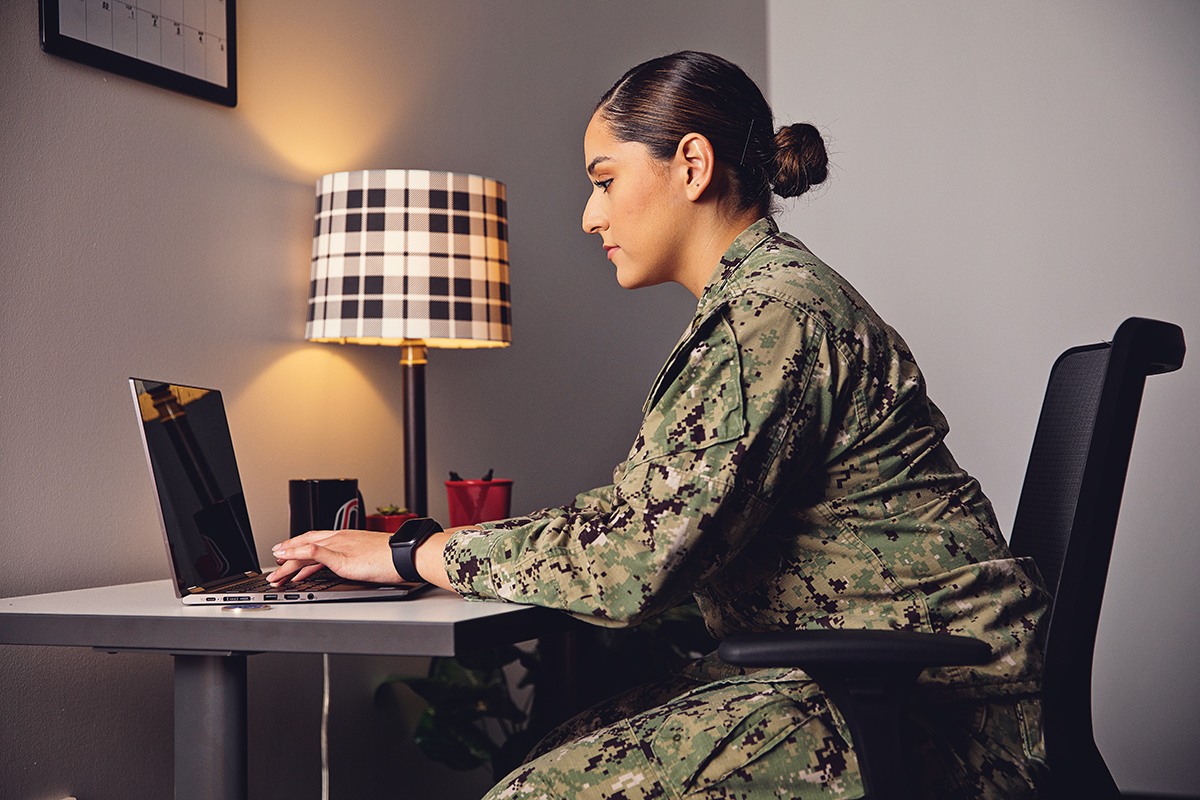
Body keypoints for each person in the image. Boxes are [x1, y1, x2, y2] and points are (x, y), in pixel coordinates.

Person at [270, 51, 1049, 799]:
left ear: (692, 165)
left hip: (932, 717)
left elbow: (634, 560)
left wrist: (413, 552)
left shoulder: (768, 315)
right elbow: (641, 515)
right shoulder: (763, 300)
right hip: (861, 681)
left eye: (604, 181)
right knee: (549, 757)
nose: (587, 215)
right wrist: (425, 549)